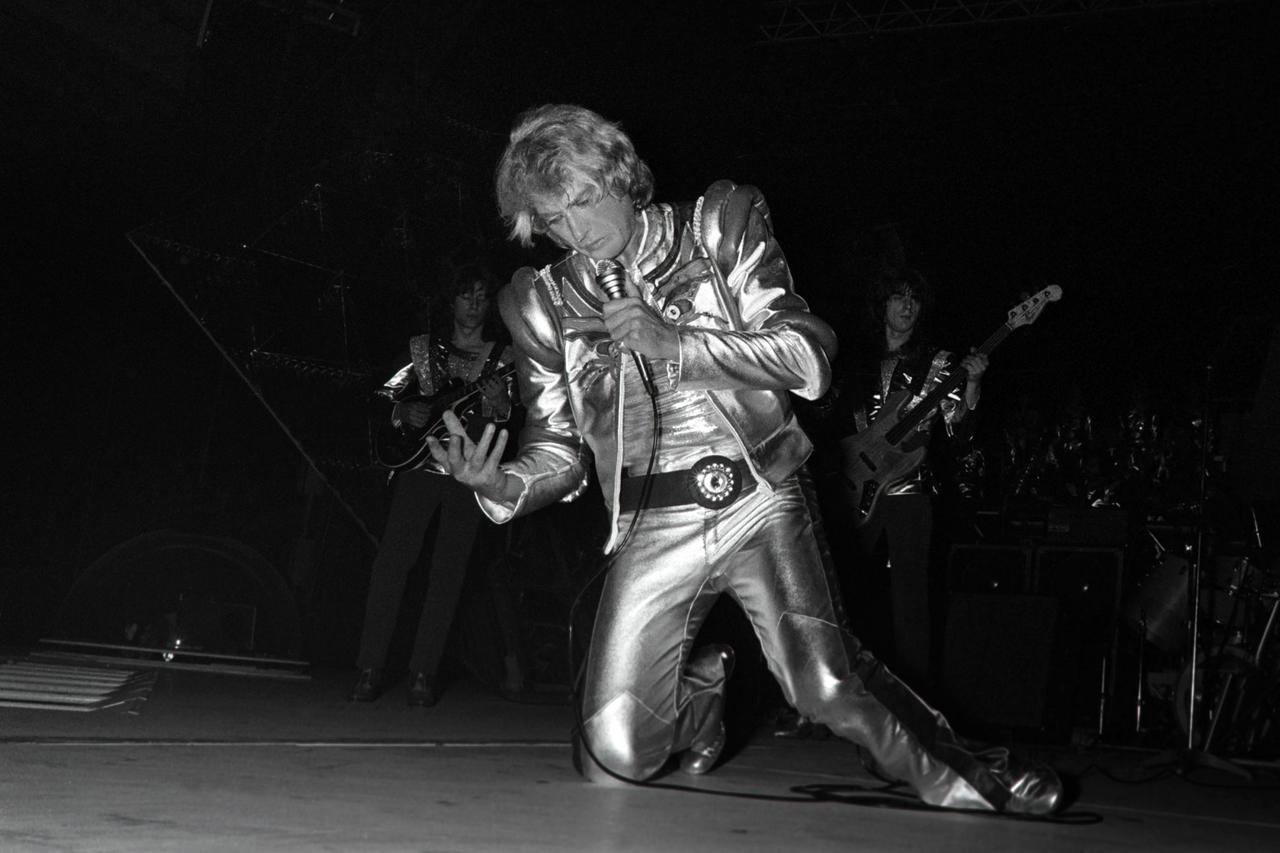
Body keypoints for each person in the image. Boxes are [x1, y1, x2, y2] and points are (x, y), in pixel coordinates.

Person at [425, 104, 1061, 815]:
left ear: (621, 176)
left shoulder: (717, 225)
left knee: (821, 682)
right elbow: (559, 450)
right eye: (553, 221)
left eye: (582, 202)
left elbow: (809, 359)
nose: (576, 232)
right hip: (651, 524)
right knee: (611, 757)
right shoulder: (542, 303)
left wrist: (678, 345)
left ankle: (976, 774)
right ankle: (700, 689)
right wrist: (501, 481)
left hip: (758, 496)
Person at [351, 264, 522, 706]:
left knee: (448, 576)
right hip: (416, 469)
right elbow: (380, 396)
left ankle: (423, 676)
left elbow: (516, 419)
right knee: (391, 566)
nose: (474, 304)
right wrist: (400, 413)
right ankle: (369, 670)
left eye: (482, 297)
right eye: (466, 295)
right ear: (452, 301)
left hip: (468, 475)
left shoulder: (505, 358)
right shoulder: (422, 350)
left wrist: (501, 406)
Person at [833, 269, 987, 694]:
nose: (906, 306)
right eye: (898, 297)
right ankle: (837, 687)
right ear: (882, 305)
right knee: (842, 590)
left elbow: (960, 432)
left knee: (912, 597)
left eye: (914, 299)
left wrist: (972, 383)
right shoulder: (853, 359)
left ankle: (916, 694)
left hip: (909, 487)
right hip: (853, 486)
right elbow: (829, 419)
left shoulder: (939, 363)